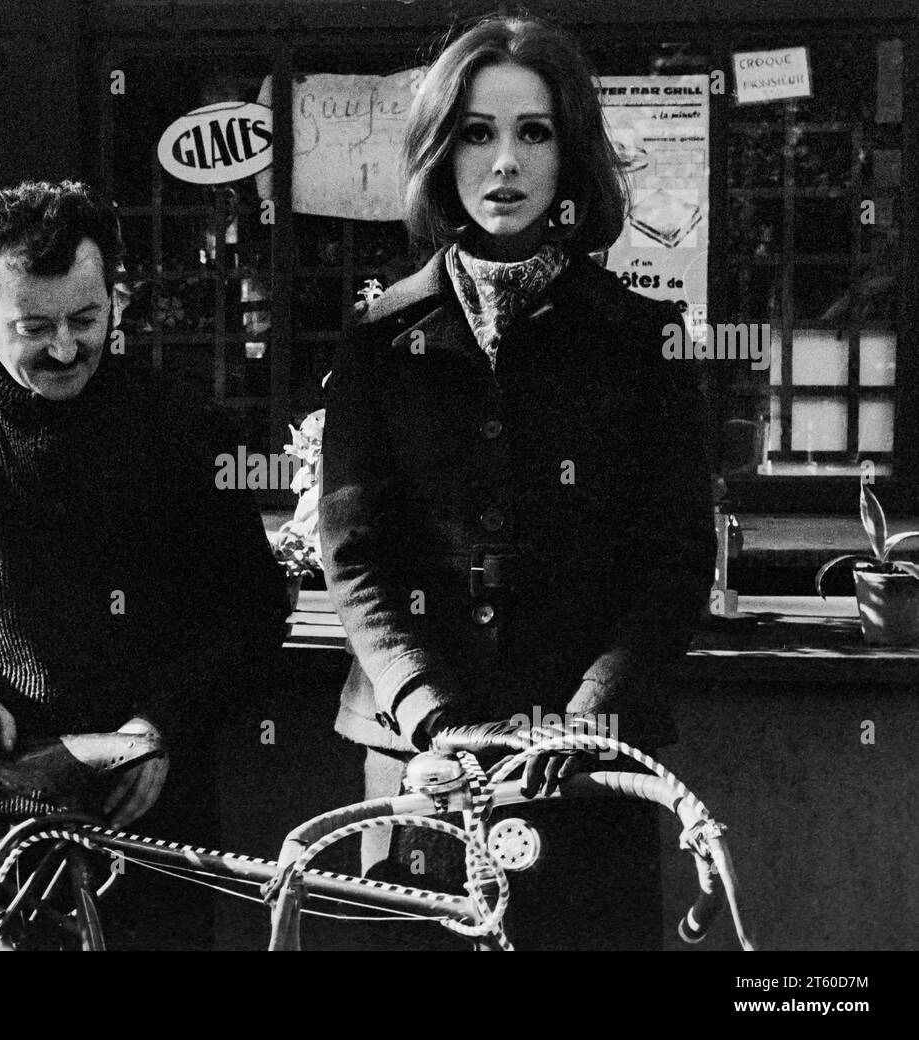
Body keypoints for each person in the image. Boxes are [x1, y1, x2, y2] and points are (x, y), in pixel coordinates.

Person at [319, 13, 716, 950]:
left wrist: (586, 722)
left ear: (569, 153)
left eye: (533, 131)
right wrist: (432, 715)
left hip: (586, 773)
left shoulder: (641, 339)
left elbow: (674, 556)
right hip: (422, 766)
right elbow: (354, 551)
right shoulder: (379, 337)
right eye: (477, 132)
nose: (505, 161)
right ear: (441, 153)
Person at [0, 179, 288, 949]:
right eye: (34, 326)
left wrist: (163, 727)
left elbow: (251, 610)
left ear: (114, 297)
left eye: (86, 319)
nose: (64, 348)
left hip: (154, 808)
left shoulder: (183, 426)